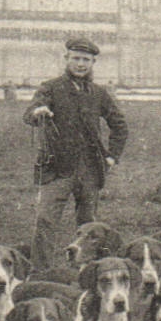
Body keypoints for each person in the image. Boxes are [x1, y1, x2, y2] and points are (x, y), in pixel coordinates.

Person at [24, 36, 128, 271]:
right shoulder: (50, 88)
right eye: (76, 58)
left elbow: (120, 125)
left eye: (86, 60)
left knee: (89, 226)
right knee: (45, 220)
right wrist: (38, 111)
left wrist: (112, 156)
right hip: (57, 170)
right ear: (66, 59)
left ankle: (89, 271)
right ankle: (41, 271)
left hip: (91, 170)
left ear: (93, 63)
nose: (81, 64)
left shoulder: (99, 93)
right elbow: (30, 111)